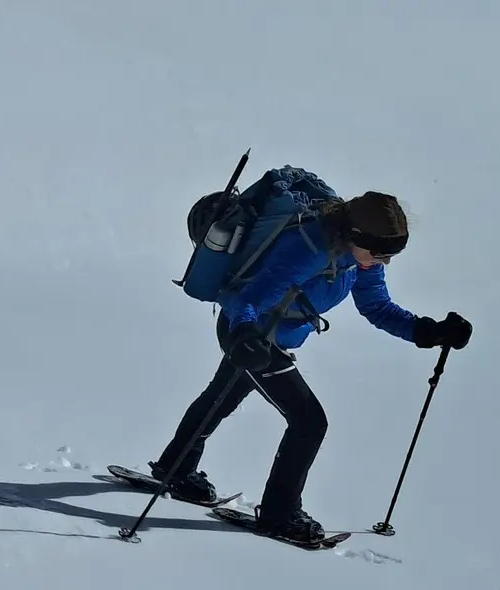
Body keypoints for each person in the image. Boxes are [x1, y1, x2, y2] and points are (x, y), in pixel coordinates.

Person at [148, 189, 472, 542]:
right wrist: (244, 334)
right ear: (356, 236)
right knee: (309, 422)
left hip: (268, 338)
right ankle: (279, 513)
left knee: (222, 397)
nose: (386, 262)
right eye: (382, 253)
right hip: (254, 336)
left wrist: (427, 331)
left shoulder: (360, 260)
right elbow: (251, 298)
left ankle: (175, 467)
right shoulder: (309, 250)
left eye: (392, 254)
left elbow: (377, 307)